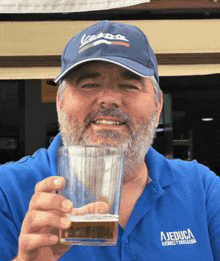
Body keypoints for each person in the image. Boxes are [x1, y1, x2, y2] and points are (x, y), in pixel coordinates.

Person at [0, 20, 220, 261]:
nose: (108, 99)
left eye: (129, 85)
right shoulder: (7, 190)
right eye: (88, 84)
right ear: (60, 103)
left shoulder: (202, 188)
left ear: (158, 108)